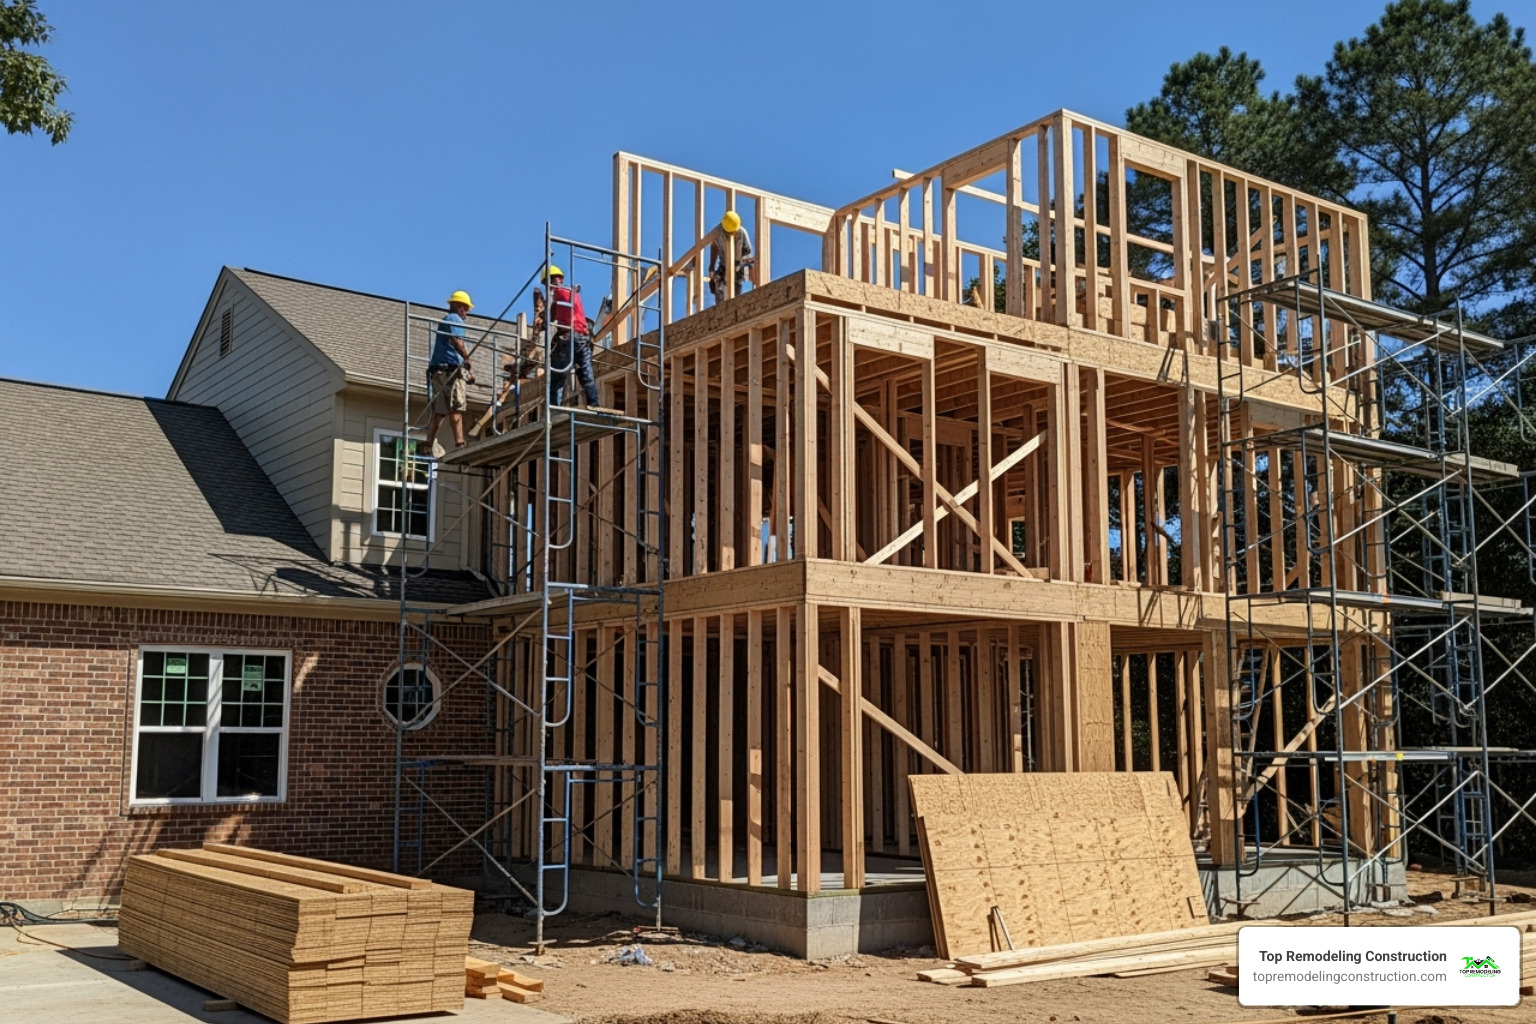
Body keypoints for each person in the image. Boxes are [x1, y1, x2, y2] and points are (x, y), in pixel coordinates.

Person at [426, 290, 477, 451]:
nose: (466, 312)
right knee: (457, 407)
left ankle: (428, 443)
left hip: (437, 370)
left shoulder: (446, 320)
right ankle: (460, 444)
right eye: (465, 308)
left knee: (439, 411)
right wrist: (469, 363)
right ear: (456, 306)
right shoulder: (454, 319)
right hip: (451, 371)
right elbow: (457, 342)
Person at [544, 265, 599, 408]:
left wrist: (544, 319)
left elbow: (551, 316)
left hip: (570, 336)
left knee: (556, 375)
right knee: (585, 373)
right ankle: (594, 404)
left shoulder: (559, 292)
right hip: (583, 337)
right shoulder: (573, 293)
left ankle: (553, 407)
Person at [709, 210, 754, 302]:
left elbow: (748, 253)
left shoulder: (741, 232)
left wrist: (740, 265)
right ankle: (720, 311)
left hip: (738, 266)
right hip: (724, 264)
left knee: (735, 294)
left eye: (734, 232)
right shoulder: (718, 232)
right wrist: (712, 266)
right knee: (719, 286)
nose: (733, 234)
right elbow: (714, 246)